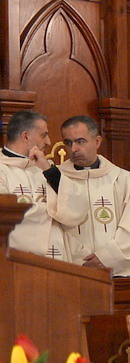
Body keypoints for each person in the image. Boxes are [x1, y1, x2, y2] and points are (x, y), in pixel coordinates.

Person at [47, 116, 130, 275]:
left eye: (80, 141)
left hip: (113, 271)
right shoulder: (56, 179)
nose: (74, 148)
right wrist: (80, 258)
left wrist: (107, 258)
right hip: (71, 268)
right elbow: (53, 226)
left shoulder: (121, 178)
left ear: (97, 141)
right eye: (68, 143)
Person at [0, 110, 67, 259]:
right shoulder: (1, 169)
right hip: (13, 260)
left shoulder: (46, 167)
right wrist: (54, 211)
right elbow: (6, 214)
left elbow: (75, 207)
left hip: (55, 257)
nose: (49, 142)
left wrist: (49, 170)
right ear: (26, 136)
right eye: (44, 135)